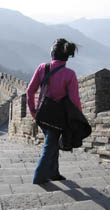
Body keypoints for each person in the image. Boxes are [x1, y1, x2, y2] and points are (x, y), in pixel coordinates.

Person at [26, 38, 82, 184]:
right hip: (57, 117)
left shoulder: (42, 68)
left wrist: (33, 111)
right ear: (67, 56)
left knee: (52, 143)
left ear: (52, 53)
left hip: (41, 114)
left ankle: (54, 172)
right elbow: (74, 100)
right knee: (50, 145)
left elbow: (30, 91)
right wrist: (78, 118)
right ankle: (39, 177)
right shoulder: (70, 74)